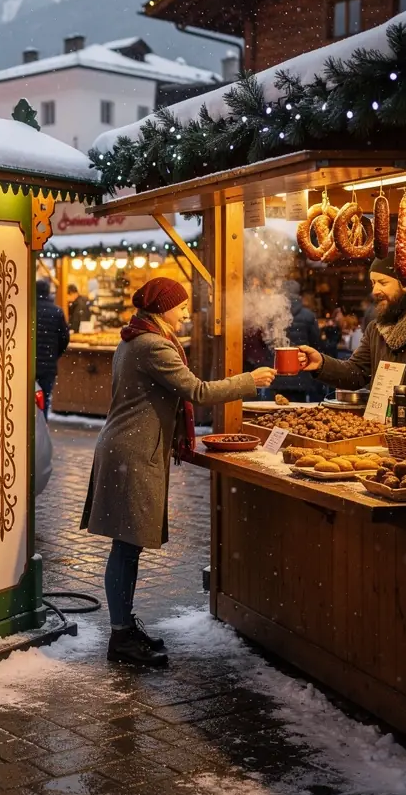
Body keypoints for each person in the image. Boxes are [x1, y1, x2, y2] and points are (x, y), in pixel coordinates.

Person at [80, 278, 275, 667]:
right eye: (180, 305)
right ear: (161, 309)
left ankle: (124, 628)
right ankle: (120, 638)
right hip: (131, 454)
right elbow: (197, 391)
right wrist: (248, 382)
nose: (186, 312)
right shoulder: (152, 345)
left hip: (129, 449)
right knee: (125, 546)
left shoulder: (136, 338)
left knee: (127, 545)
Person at [297, 254, 406, 388]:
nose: (375, 291)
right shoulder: (375, 329)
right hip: (381, 412)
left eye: (383, 283)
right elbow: (356, 372)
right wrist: (321, 363)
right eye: (373, 283)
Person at [274, 281, 322, 402]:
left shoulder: (274, 314)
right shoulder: (308, 315)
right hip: (300, 372)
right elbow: (316, 343)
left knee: (276, 409)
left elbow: (266, 340)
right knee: (297, 413)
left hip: (279, 374)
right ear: (299, 294)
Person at [35, 279, 70, 418]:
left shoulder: (27, 309)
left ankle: (26, 432)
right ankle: (41, 430)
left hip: (28, 365)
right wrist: (54, 355)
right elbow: (64, 338)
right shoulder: (56, 311)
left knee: (24, 401)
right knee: (44, 400)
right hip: (47, 366)